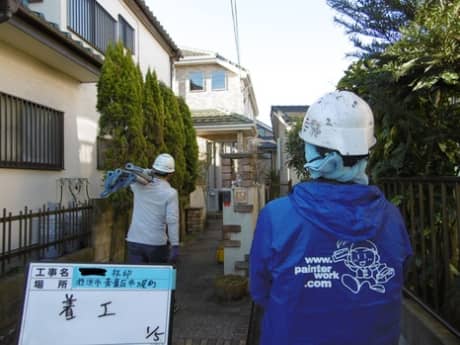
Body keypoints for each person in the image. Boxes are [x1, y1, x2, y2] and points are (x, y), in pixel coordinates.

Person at [249, 91, 413, 345]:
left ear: (312, 151)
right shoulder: (391, 217)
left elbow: (260, 291)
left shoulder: (276, 216)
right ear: (366, 152)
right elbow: (400, 276)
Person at [126, 153, 179, 265]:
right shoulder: (171, 193)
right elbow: (172, 221)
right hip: (156, 244)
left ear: (153, 168)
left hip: (134, 241)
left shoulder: (137, 186)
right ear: (171, 174)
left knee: (137, 280)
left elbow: (134, 174)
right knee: (156, 281)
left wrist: (147, 171)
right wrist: (175, 244)